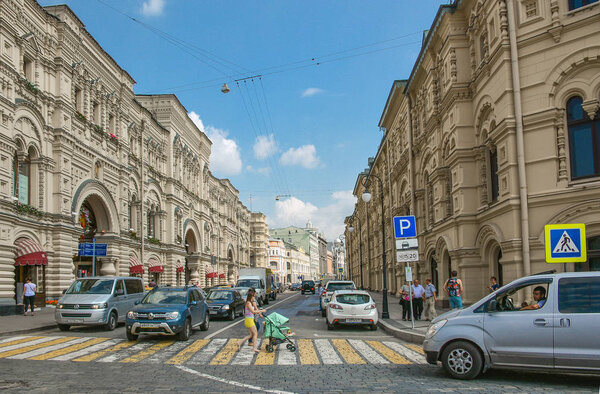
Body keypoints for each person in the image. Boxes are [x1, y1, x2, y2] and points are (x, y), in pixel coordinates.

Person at [238, 288, 265, 353]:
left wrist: (259, 312)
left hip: (250, 320)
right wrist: (261, 311)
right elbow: (253, 311)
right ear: (251, 296)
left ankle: (240, 342)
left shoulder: (249, 302)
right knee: (255, 334)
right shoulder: (248, 303)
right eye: (253, 296)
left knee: (251, 335)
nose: (254, 298)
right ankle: (254, 348)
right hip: (249, 320)